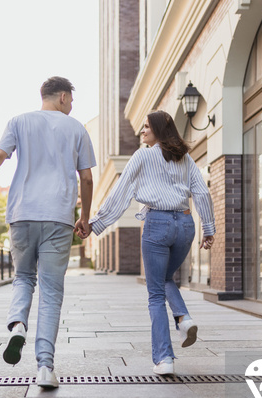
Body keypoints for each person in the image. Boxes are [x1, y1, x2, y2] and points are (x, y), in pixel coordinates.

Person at [0, 76, 95, 388]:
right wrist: (84, 216)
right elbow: (86, 178)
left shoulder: (18, 121)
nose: (71, 107)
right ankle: (45, 367)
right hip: (58, 217)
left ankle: (17, 324)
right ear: (62, 97)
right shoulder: (76, 128)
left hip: (21, 215)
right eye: (70, 101)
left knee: (23, 278)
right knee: (51, 291)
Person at [86, 110, 215, 376]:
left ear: (158, 130)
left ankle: (164, 358)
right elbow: (201, 192)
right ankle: (183, 318)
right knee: (166, 278)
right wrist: (209, 228)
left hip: (157, 224)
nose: (141, 131)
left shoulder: (143, 156)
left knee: (155, 293)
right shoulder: (186, 158)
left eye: (146, 127)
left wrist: (96, 224)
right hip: (186, 224)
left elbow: (120, 193)